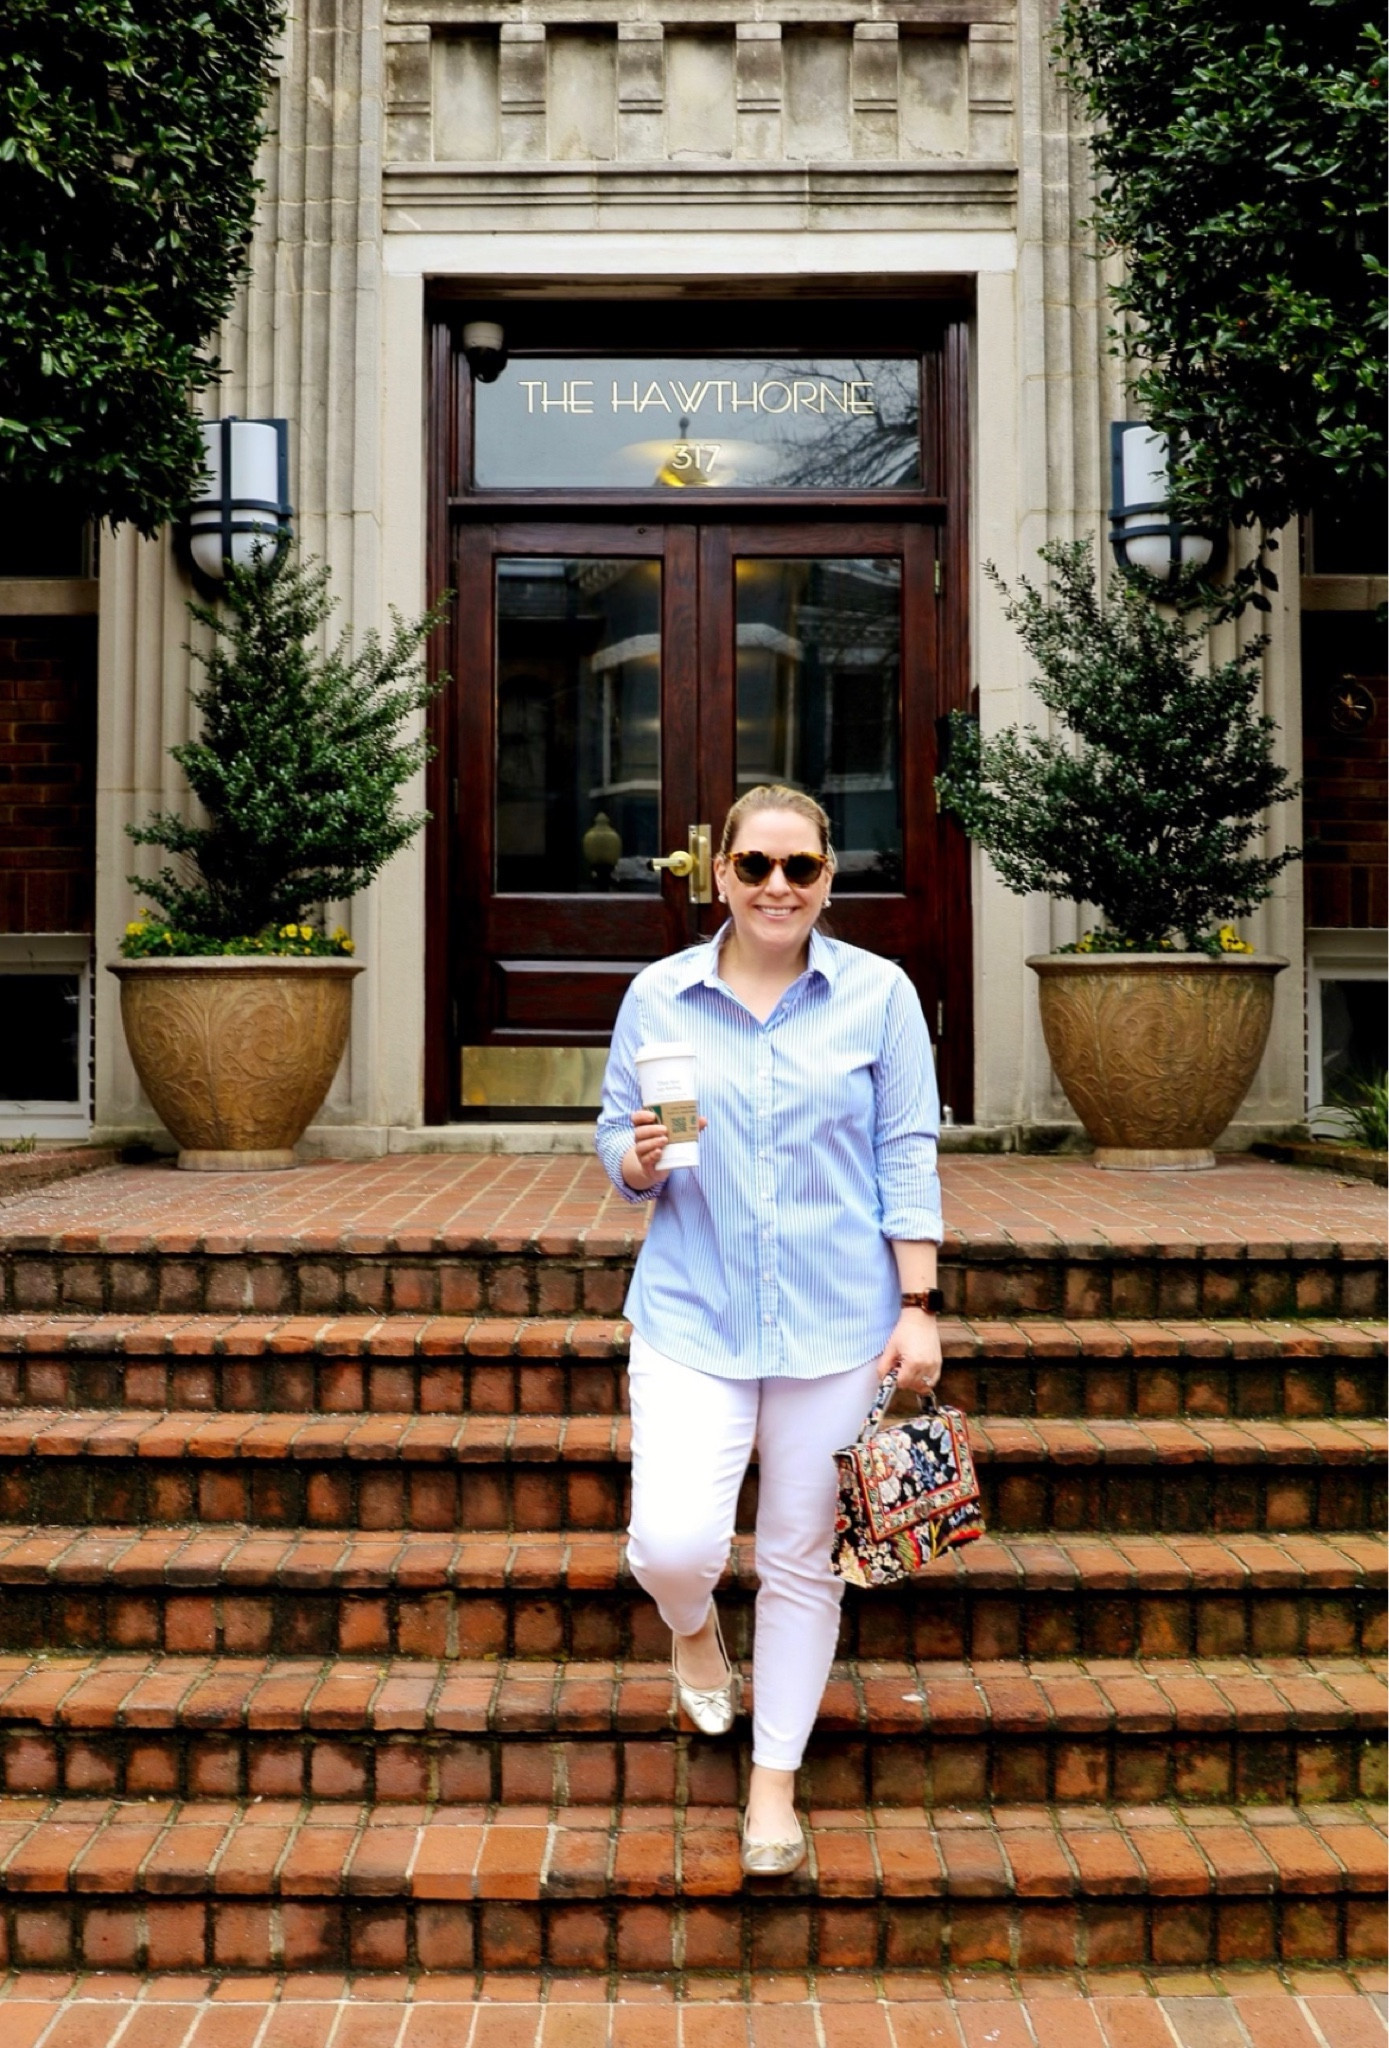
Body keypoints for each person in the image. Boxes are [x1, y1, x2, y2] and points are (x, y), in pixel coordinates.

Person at [595, 783, 944, 1877]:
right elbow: (618, 1134)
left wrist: (918, 1308)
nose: (777, 886)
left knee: (801, 1563)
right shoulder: (660, 996)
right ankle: (693, 1631)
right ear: (721, 877)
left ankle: (772, 1786)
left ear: (829, 878)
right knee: (673, 1544)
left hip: (838, 1322)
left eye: (800, 867)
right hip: (693, 1312)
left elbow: (906, 1149)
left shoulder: (880, 996)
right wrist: (637, 1162)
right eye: (755, 866)